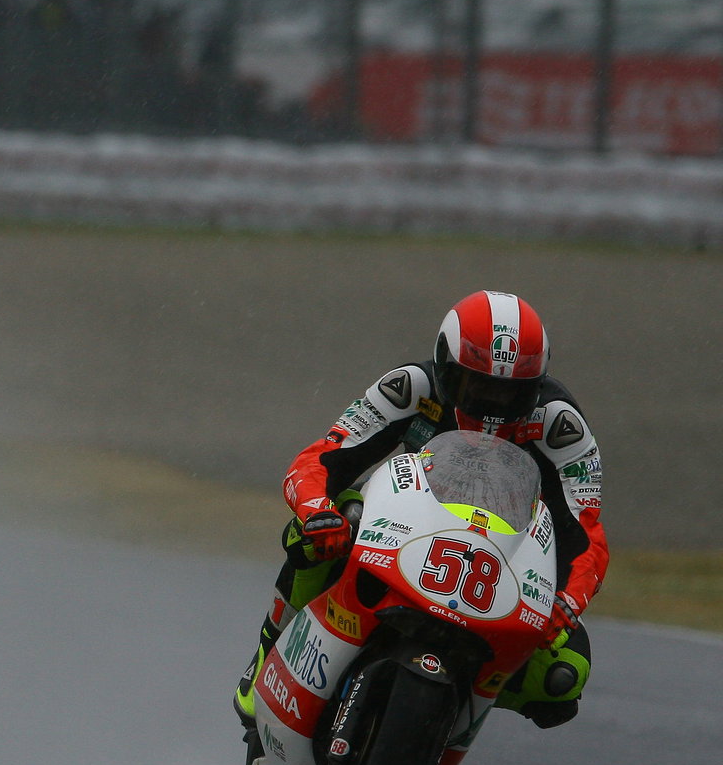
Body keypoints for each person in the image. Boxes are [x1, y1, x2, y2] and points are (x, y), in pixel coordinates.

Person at [233, 290, 605, 732]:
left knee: (564, 676)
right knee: (316, 533)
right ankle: (270, 650)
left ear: (536, 386)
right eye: (476, 386)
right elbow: (322, 458)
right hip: (401, 526)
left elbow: (586, 531)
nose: (492, 407)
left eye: (511, 395)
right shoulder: (411, 387)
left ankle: (457, 709)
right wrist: (316, 510)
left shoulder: (560, 424)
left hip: (504, 554)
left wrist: (568, 601)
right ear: (445, 367)